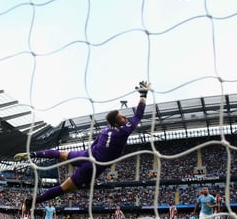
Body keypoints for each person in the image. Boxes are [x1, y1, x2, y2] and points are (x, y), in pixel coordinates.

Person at [14, 81, 150, 212]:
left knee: (60, 154)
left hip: (86, 155)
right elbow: (138, 115)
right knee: (63, 188)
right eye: (122, 117)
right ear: (115, 122)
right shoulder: (125, 131)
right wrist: (143, 95)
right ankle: (32, 201)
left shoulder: (105, 129)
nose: (125, 118)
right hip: (93, 166)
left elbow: (95, 143)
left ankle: (32, 154)